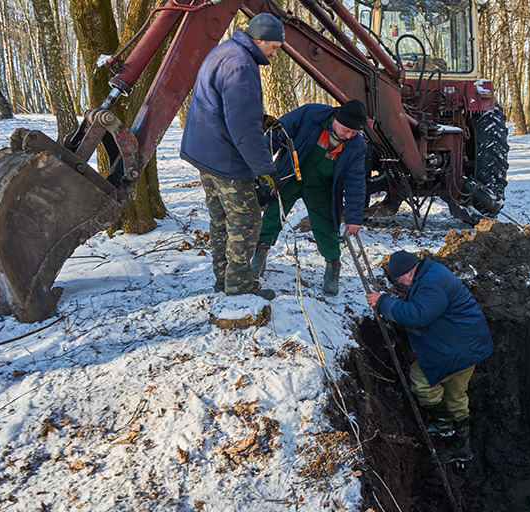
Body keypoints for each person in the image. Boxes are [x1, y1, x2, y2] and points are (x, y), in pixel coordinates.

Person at [180, 13, 285, 299]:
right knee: (247, 221)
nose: (274, 54)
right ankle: (239, 288)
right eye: (274, 47)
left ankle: (223, 280)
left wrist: (259, 117)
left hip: (204, 150)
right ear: (259, 39)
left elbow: (228, 105)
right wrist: (265, 168)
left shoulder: (225, 50)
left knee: (220, 219)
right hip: (224, 157)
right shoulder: (241, 65)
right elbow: (243, 128)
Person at [365, 250, 493, 463]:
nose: (400, 283)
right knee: (457, 395)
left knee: (420, 381)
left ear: (409, 271)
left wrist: (383, 303)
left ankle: (442, 421)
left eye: (399, 279)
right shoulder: (430, 273)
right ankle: (462, 447)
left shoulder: (430, 284)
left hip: (457, 347)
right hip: (467, 344)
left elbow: (416, 316)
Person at [250, 100, 368, 296]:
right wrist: (259, 167)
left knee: (327, 226)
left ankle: (332, 269)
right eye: (346, 130)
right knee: (273, 215)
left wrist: (355, 217)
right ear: (336, 118)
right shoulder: (311, 115)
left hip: (321, 186)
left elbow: (356, 181)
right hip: (290, 176)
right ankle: (259, 258)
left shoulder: (356, 146)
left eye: (354, 133)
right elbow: (276, 134)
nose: (349, 136)